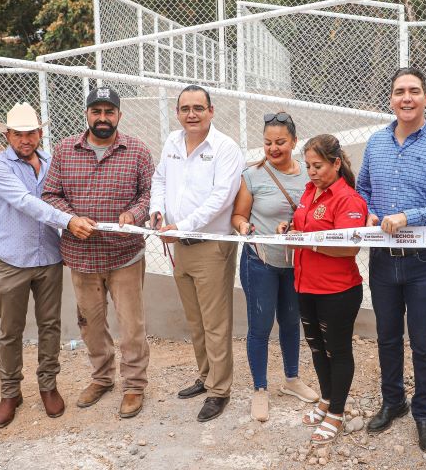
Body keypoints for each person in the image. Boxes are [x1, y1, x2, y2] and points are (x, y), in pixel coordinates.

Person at [357, 67, 426, 453]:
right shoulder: (376, 143)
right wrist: (368, 212)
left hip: (425, 260)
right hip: (382, 259)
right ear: (391, 98)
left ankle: (424, 412)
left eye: (414, 91)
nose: (407, 97)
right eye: (400, 91)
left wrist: (410, 216)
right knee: (387, 336)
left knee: (423, 341)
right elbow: (362, 189)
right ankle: (393, 402)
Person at [42, 87, 154, 419]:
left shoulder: (137, 151)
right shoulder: (65, 150)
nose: (102, 118)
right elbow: (51, 195)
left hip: (124, 256)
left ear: (119, 115)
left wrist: (134, 214)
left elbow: (150, 194)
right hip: (82, 257)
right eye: (96, 112)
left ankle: (134, 385)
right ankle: (102, 378)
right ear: (87, 114)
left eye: (109, 112)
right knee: (90, 324)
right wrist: (71, 219)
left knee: (131, 325)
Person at [0, 103, 95, 428]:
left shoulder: (50, 163)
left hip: (49, 257)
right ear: (7, 135)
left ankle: (48, 385)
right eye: (18, 134)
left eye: (31, 133)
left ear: (40, 133)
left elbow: (67, 195)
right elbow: (25, 202)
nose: (25, 140)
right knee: (11, 330)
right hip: (12, 260)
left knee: (50, 325)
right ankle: (10, 393)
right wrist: (69, 220)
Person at [150, 85, 244, 422]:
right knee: (196, 319)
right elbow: (160, 180)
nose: (192, 114)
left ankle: (220, 390)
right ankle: (206, 376)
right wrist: (157, 211)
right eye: (185, 109)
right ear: (177, 113)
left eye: (198, 108)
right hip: (180, 245)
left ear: (211, 111)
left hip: (210, 246)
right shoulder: (172, 142)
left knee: (215, 322)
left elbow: (221, 198)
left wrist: (183, 226)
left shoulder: (225, 148)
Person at [278, 134, 367, 444]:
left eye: (318, 166)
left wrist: (307, 242)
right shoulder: (309, 191)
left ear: (336, 163)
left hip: (337, 290)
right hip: (306, 285)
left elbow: (349, 248)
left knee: (337, 350)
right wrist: (290, 229)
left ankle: (336, 413)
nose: (312, 172)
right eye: (308, 166)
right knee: (316, 348)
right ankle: (327, 399)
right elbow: (305, 228)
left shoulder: (348, 199)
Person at [231, 112, 319, 422]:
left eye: (280, 142)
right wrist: (243, 227)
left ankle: (291, 379)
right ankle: (260, 389)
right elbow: (238, 216)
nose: (273, 148)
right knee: (260, 325)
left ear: (294, 142)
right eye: (268, 143)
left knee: (291, 321)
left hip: (295, 263)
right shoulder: (252, 175)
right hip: (260, 261)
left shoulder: (309, 174)